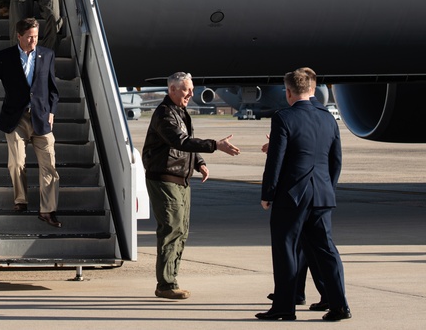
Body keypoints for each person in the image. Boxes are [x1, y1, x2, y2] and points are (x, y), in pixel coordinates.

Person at [256, 69, 351, 321]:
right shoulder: (328, 119)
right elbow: (336, 160)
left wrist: (268, 193)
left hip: (292, 195)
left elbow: (275, 161)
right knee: (326, 250)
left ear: (288, 91)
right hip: (321, 193)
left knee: (286, 248)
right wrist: (327, 188)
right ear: (312, 88)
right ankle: (340, 305)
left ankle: (285, 307)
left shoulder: (284, 117)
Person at [142, 71, 239, 300]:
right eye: (187, 89)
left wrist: (200, 162)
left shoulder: (180, 112)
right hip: (165, 179)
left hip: (180, 179)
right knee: (171, 230)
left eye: (191, 89)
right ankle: (166, 284)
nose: (191, 94)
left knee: (181, 230)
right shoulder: (165, 114)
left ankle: (171, 280)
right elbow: (180, 141)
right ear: (172, 90)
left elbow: (185, 144)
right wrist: (216, 145)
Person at [0, 18, 62, 227]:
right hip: (16, 118)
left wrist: (52, 111)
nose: (33, 41)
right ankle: (21, 200)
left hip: (41, 117)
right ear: (19, 36)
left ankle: (47, 210)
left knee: (49, 166)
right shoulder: (5, 57)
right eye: (30, 37)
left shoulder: (46, 55)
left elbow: (53, 89)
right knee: (17, 162)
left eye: (36, 37)